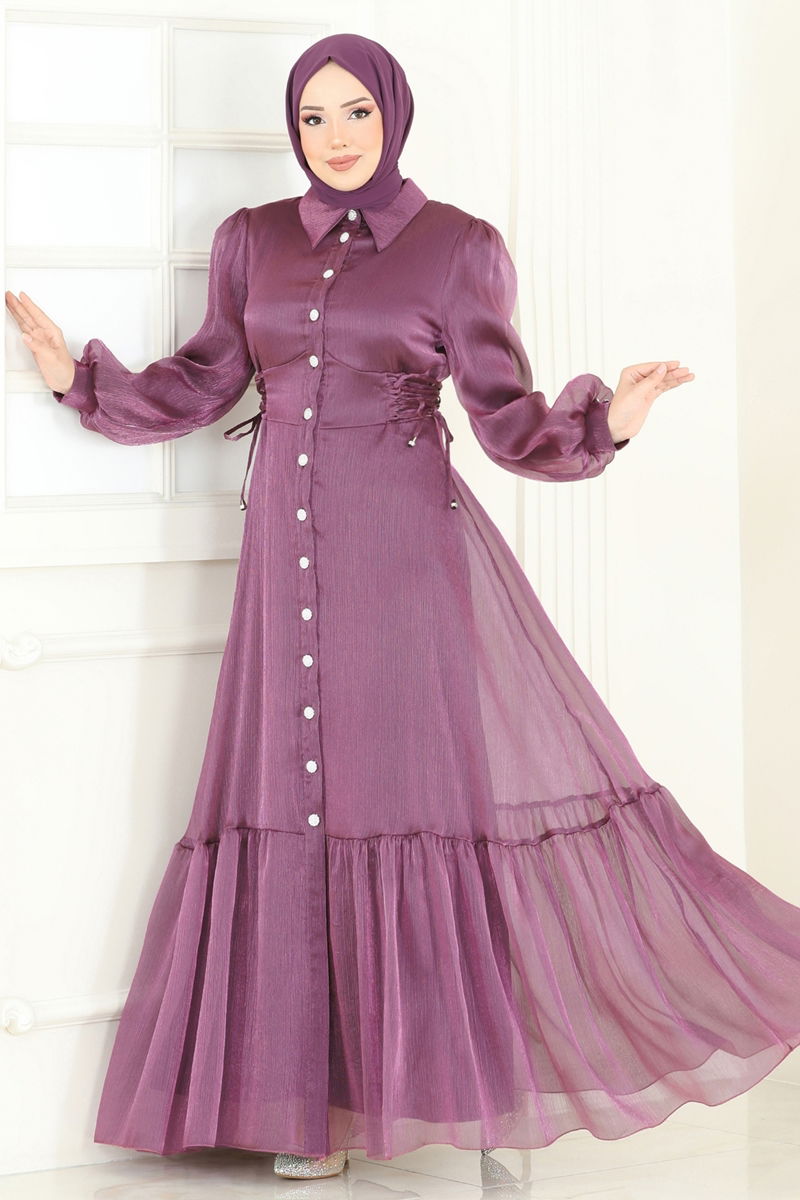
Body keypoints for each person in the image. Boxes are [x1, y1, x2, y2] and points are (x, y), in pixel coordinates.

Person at [7, 29, 800, 1189]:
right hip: (281, 568)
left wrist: (607, 420)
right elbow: (206, 376)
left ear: (393, 116)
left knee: (406, 803)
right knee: (290, 802)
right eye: (313, 117)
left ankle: (464, 1104)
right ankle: (307, 1105)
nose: (333, 137)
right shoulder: (251, 241)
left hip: (400, 562)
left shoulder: (457, 248)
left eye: (355, 114)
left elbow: (504, 417)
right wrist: (77, 380)